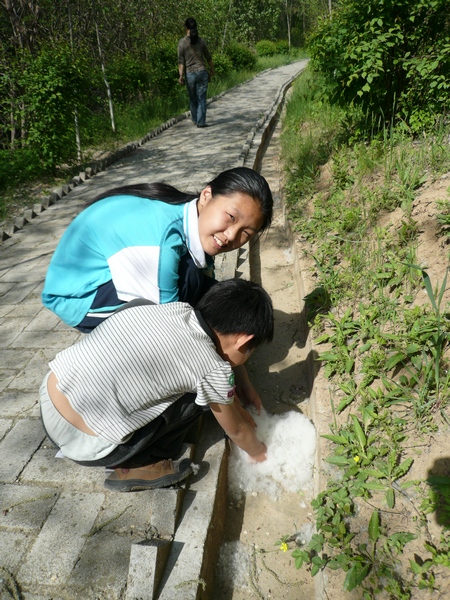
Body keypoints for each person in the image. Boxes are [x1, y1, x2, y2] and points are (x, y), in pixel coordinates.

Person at [39, 279, 274, 492]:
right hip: (84, 444)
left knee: (141, 319)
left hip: (50, 396)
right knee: (196, 402)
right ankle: (141, 464)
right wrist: (260, 453)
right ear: (245, 340)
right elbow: (237, 430)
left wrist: (242, 382)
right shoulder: (211, 369)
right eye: (251, 352)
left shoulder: (175, 309)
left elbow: (222, 351)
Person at [41, 167, 273, 333]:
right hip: (80, 296)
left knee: (209, 291)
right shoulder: (162, 239)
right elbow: (166, 326)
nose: (232, 236)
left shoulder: (183, 214)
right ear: (206, 196)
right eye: (231, 217)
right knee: (186, 291)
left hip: (110, 274)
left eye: (246, 233)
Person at [178, 17, 214, 127]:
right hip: (202, 72)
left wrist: (180, 75)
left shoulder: (182, 43)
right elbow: (208, 57)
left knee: (193, 98)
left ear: (186, 27)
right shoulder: (201, 41)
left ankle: (195, 119)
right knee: (202, 97)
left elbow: (181, 61)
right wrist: (212, 69)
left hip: (190, 75)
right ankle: (201, 122)